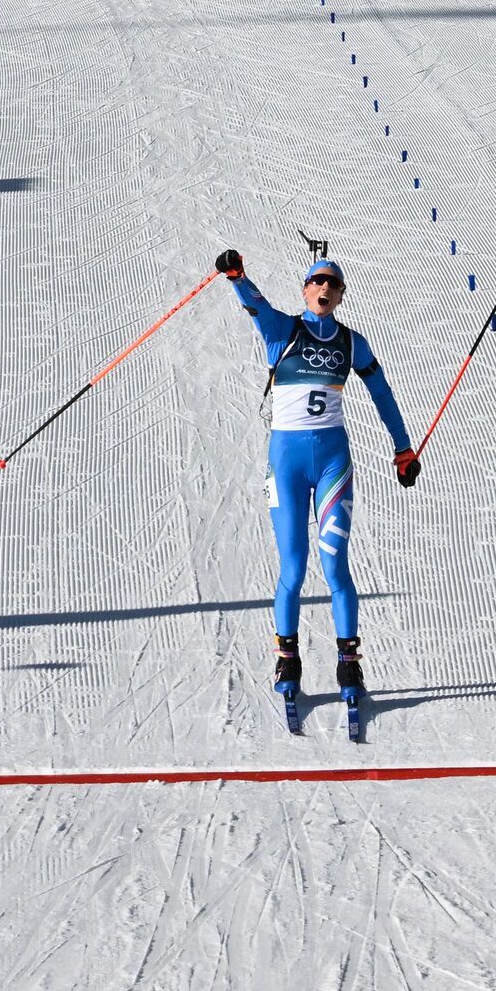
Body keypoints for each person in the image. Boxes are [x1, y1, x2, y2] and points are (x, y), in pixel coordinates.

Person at [213, 247, 419, 703]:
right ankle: (287, 660)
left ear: (341, 295)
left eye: (333, 283)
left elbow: (382, 394)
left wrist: (403, 448)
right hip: (286, 464)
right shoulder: (283, 331)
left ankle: (349, 665)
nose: (325, 287)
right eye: (317, 281)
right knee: (293, 565)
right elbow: (254, 302)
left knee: (335, 566)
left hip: (332, 463)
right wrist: (237, 275)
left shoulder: (352, 343)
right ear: (305, 290)